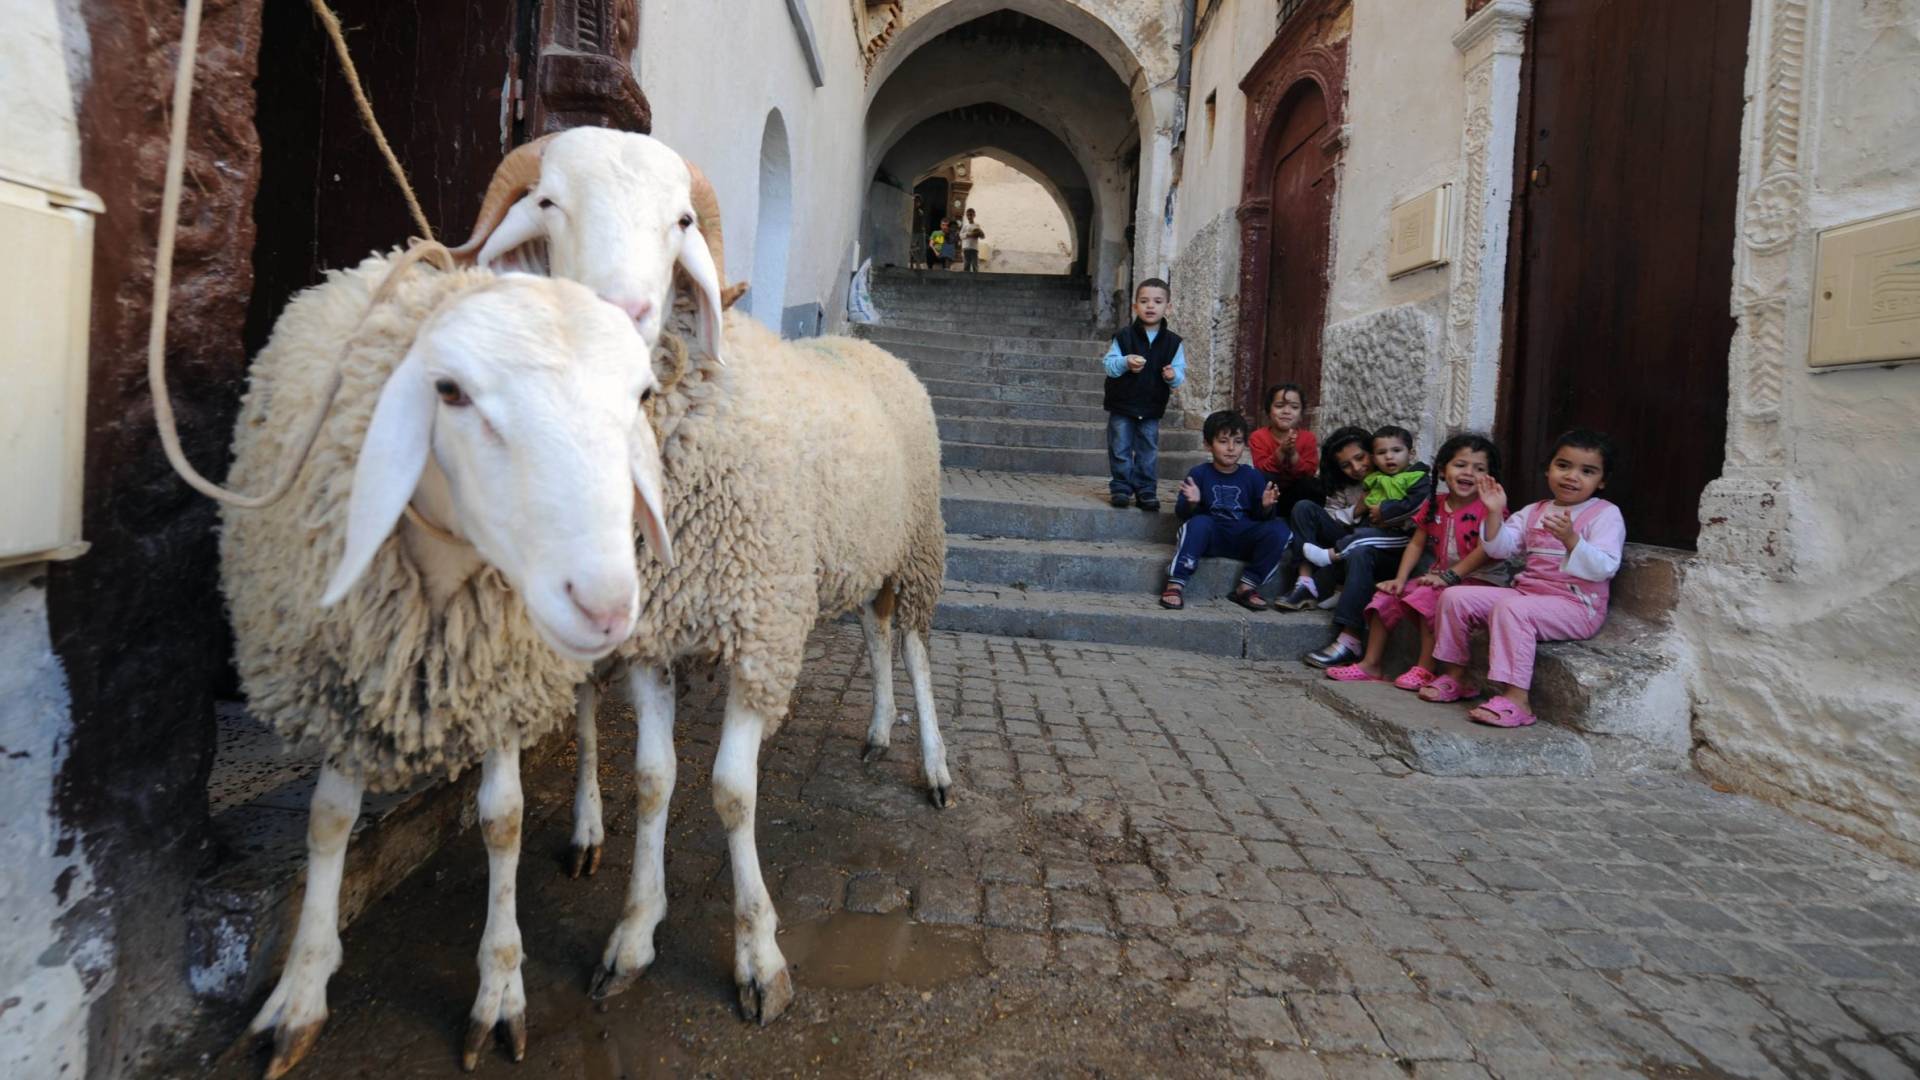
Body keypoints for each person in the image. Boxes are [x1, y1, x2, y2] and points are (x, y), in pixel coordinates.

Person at [1418, 429, 1626, 728]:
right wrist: (1492, 513)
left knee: (1512, 609)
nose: (1571, 476)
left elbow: (1605, 567)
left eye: (1587, 471)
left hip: (1576, 605)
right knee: (1454, 596)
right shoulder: (1534, 511)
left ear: (1602, 480)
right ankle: (1456, 677)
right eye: (1563, 465)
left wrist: (1570, 539)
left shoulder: (1604, 514)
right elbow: (1500, 548)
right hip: (1528, 595)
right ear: (1548, 468)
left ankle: (1517, 699)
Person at [1321, 433, 1505, 685]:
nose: (1469, 473)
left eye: (1479, 468)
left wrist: (1450, 577)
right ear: (1442, 469)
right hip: (1439, 577)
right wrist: (1400, 578)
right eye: (1460, 465)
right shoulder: (1435, 503)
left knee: (1425, 598)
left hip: (1476, 583)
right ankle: (1371, 664)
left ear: (1489, 476)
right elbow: (1417, 542)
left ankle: (1425, 668)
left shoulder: (1490, 508)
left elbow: (1486, 550)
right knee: (1386, 596)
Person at [1302, 425, 1433, 668]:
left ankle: (1345, 628)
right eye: (1382, 453)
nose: (1389, 457)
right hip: (1372, 543)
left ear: (1410, 453)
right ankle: (1347, 633)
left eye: (1396, 451)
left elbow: (1416, 508)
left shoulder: (1416, 478)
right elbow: (1347, 516)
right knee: (1359, 549)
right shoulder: (1374, 481)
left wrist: (1383, 511)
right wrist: (1361, 510)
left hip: (1401, 549)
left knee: (1358, 547)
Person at [1159, 411, 1290, 612]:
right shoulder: (1199, 474)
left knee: (1280, 530)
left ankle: (1247, 586)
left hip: (1243, 537)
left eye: (1237, 442)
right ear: (1208, 444)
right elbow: (1183, 515)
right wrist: (1192, 502)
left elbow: (1262, 519)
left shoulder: (1253, 476)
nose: (1231, 448)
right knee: (1199, 524)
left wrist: (1266, 506)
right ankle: (1175, 583)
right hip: (1212, 538)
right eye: (1223, 441)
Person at [1101, 278, 1186, 511]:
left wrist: (1172, 375)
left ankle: (1146, 489)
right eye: (1144, 301)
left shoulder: (1173, 342)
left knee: (1147, 449)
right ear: (1134, 306)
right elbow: (1108, 364)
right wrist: (1125, 362)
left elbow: (1180, 371)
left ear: (1167, 307)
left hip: (1151, 406)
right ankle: (1121, 486)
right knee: (1119, 447)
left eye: (1157, 301)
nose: (1150, 306)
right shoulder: (1124, 336)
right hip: (1122, 404)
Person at [1275, 425, 1372, 611]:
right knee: (1304, 508)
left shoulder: (1388, 477)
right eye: (1346, 465)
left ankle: (1331, 588)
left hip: (1367, 545)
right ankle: (1304, 581)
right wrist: (1356, 511)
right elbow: (1330, 516)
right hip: (1341, 536)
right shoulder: (1343, 484)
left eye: (1360, 457)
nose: (1356, 468)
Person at [1248, 383, 1320, 515]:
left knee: (1312, 485)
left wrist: (1293, 454)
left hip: (1296, 495)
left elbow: (1309, 472)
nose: (1286, 411)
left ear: (1301, 414)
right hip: (1270, 494)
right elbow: (1262, 470)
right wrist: (1281, 451)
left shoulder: (1308, 438)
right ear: (1269, 410)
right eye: (1279, 406)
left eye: (1294, 407)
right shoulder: (1258, 437)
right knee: (1261, 479)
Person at [961, 208, 986, 272]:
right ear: (966, 216)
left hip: (974, 248)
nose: (969, 216)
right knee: (966, 265)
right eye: (968, 215)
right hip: (966, 247)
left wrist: (980, 233)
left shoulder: (977, 225)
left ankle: (976, 280)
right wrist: (968, 234)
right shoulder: (965, 226)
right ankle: (965, 279)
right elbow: (960, 235)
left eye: (971, 215)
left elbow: (982, 237)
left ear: (974, 215)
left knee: (975, 265)